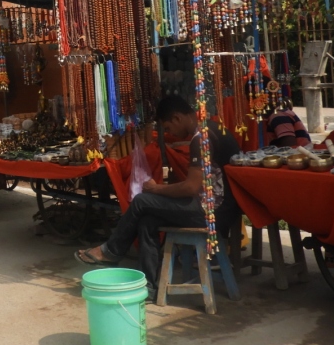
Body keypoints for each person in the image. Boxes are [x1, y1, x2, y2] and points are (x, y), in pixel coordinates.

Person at [75, 94, 241, 302]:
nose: (170, 133)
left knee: (141, 201)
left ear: (177, 118)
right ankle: (149, 287)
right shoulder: (214, 127)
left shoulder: (201, 139)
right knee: (147, 220)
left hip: (214, 212)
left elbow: (191, 187)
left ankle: (111, 251)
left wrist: (155, 189)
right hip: (222, 207)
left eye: (168, 128)